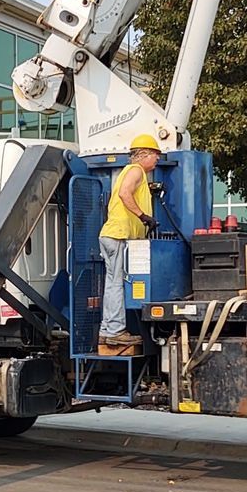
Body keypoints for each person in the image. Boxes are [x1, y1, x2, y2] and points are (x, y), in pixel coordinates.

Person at [98, 134, 162, 354]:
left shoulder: (133, 173)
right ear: (144, 154)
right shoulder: (135, 171)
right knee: (116, 283)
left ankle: (107, 329)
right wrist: (143, 216)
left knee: (112, 282)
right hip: (117, 235)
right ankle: (115, 331)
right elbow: (126, 194)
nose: (157, 161)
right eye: (155, 156)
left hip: (113, 234)